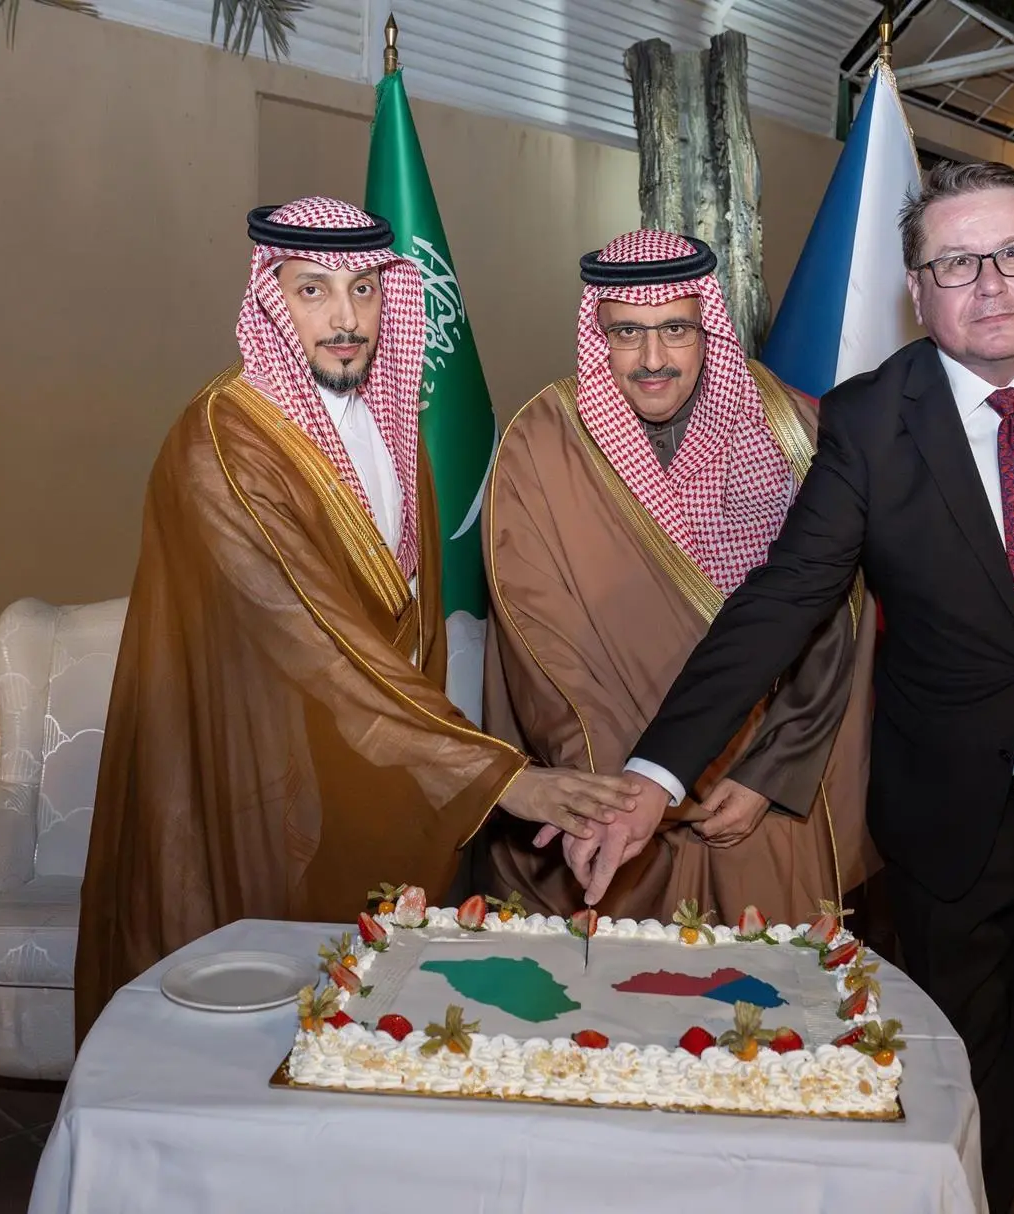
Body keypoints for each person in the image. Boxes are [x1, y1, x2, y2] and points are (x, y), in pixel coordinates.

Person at [590, 163, 1014, 1213]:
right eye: (955, 262)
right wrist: (653, 770)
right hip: (949, 825)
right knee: (952, 1089)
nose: (988, 282)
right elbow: (780, 600)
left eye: (1010, 254)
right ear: (917, 288)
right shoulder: (867, 419)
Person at [75, 198, 639, 1042]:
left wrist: (445, 769)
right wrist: (498, 778)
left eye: (366, 289)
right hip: (259, 778)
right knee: (258, 1038)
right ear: (270, 299)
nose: (346, 318)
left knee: (373, 1028)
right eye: (312, 291)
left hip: (373, 762)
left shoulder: (390, 423)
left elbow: (409, 633)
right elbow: (317, 641)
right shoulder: (221, 446)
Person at [473, 230, 877, 925]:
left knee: (766, 1013)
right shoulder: (541, 441)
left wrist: (768, 774)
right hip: (607, 783)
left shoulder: (788, 425)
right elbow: (540, 641)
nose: (653, 359)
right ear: (598, 333)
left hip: (756, 797)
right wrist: (619, 791)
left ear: (707, 329)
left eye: (675, 330)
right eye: (628, 332)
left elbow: (833, 618)